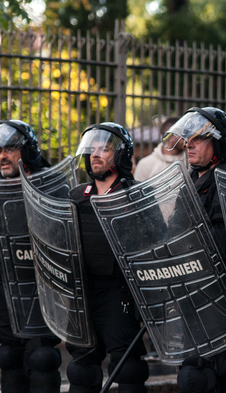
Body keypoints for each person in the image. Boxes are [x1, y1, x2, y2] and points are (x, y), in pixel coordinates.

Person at [162, 107, 226, 393]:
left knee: (201, 376)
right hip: (188, 289)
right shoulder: (191, 179)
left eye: (199, 138)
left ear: (219, 143)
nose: (190, 144)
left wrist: (183, 243)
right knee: (191, 374)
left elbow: (222, 240)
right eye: (189, 138)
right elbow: (173, 229)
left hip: (216, 295)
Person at [66, 122, 149, 393]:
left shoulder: (137, 196)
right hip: (84, 294)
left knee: (129, 370)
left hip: (120, 293)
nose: (95, 154)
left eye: (105, 148)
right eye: (92, 149)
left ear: (121, 155)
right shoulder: (77, 197)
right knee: (80, 370)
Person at [0, 120, 62, 393]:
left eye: (10, 148)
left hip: (41, 289)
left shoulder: (51, 185)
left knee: (42, 357)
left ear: (27, 151)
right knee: (8, 357)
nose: (2, 155)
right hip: (6, 289)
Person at [134, 116, 184, 181]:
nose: (186, 138)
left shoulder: (190, 161)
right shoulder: (145, 164)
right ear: (169, 135)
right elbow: (137, 190)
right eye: (182, 133)